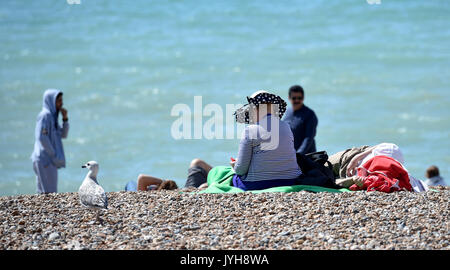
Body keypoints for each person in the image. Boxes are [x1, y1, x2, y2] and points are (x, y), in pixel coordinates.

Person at [231, 91, 303, 190]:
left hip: (258, 184)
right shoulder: (286, 127)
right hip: (291, 180)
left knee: (227, 174)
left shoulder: (249, 130)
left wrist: (235, 165)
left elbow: (241, 170)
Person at [328, 143, 428, 193]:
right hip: (347, 158)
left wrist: (352, 180)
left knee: (315, 167)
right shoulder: (398, 170)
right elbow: (385, 145)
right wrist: (359, 156)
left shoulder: (370, 174)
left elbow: (333, 183)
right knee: (315, 164)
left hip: (348, 159)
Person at [31, 89, 69, 194]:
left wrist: (65, 119)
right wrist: (53, 154)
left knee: (45, 193)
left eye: (61, 100)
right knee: (49, 193)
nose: (61, 103)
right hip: (45, 159)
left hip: (49, 159)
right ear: (51, 101)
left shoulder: (52, 117)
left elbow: (63, 134)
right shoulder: (45, 116)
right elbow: (41, 137)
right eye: (58, 101)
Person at [125, 158, 211, 191]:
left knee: (130, 184)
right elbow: (142, 178)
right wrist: (163, 182)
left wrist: (163, 183)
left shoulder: (143, 195)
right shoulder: (146, 198)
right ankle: (223, 177)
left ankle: (223, 175)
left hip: (184, 190)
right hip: (188, 190)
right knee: (197, 162)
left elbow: (142, 178)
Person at [282, 85, 318, 155]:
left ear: (303, 98)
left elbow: (308, 138)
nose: (297, 100)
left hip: (306, 157)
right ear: (289, 98)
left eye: (299, 98)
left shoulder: (310, 115)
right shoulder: (287, 112)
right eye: (294, 98)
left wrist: (298, 155)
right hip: (290, 155)